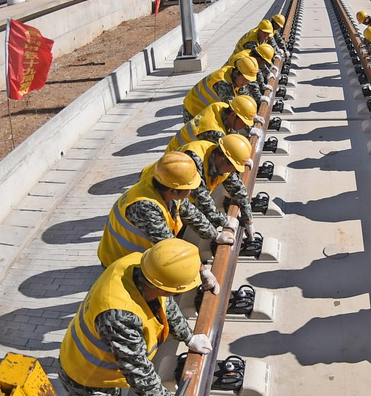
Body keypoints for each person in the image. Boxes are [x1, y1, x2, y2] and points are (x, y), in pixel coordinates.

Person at [59, 238, 218, 396]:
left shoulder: (139, 264)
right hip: (88, 379)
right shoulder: (120, 315)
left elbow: (165, 306)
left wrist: (188, 336)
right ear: (167, 290)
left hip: (104, 366)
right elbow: (137, 370)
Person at [97, 151, 231, 267]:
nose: (191, 191)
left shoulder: (165, 187)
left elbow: (192, 214)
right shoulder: (144, 207)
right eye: (189, 188)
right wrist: (201, 271)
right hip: (119, 261)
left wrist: (215, 235)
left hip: (136, 255)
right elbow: (170, 248)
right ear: (174, 191)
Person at [177, 135, 258, 239]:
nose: (233, 171)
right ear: (223, 159)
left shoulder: (222, 163)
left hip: (181, 199)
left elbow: (238, 190)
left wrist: (248, 220)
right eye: (233, 167)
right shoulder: (193, 161)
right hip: (167, 196)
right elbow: (202, 199)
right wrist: (224, 221)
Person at [166, 95, 260, 152]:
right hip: (176, 162)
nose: (245, 126)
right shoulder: (215, 133)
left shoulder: (221, 107)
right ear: (232, 115)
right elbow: (224, 162)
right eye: (244, 123)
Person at [181, 56, 260, 123]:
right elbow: (234, 109)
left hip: (205, 110)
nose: (246, 83)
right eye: (245, 79)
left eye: (248, 80)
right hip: (194, 110)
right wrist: (250, 127)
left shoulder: (234, 75)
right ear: (236, 73)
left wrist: (253, 114)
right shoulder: (223, 83)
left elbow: (244, 95)